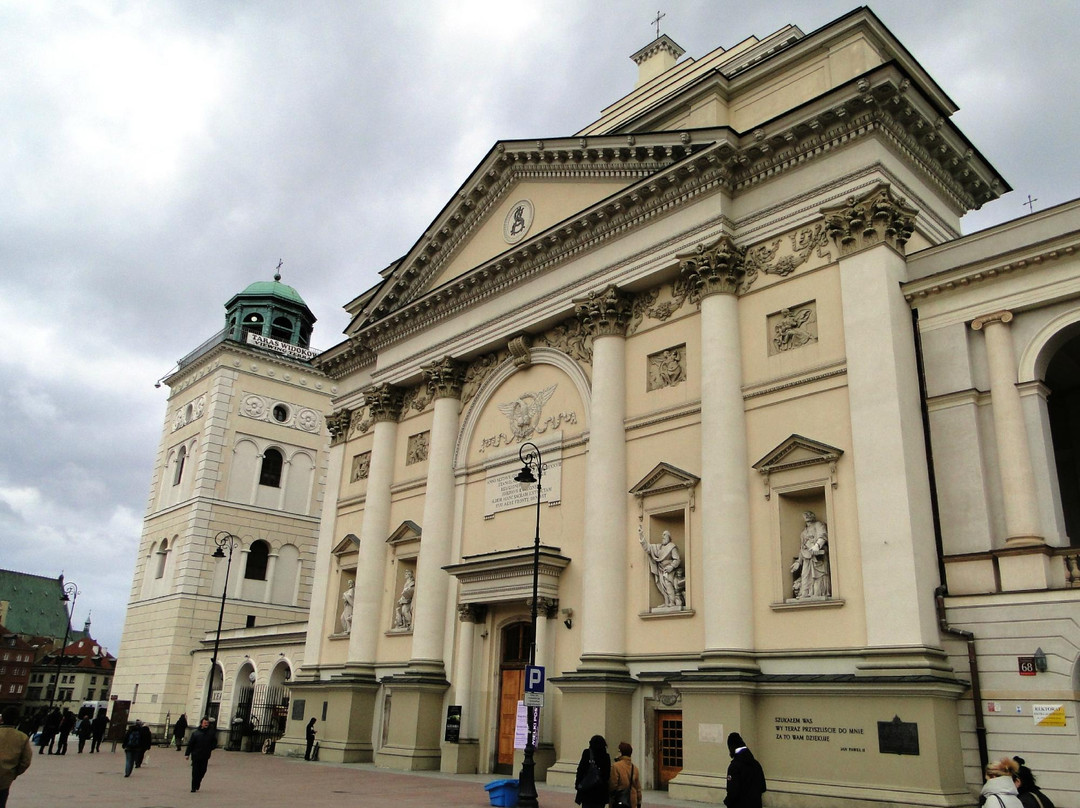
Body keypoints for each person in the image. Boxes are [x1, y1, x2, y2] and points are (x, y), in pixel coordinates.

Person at [638, 524, 683, 610]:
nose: (663, 536)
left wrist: (671, 567)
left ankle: (672, 602)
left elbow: (677, 559)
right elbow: (647, 548)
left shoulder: (672, 547)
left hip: (669, 570)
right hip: (661, 569)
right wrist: (641, 535)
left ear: (669, 537)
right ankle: (666, 602)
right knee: (662, 586)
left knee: (668, 585)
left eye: (665, 535)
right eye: (662, 535)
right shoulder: (659, 547)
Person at [790, 510, 830, 599]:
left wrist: (817, 545)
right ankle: (806, 594)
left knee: (818, 577)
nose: (807, 517)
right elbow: (802, 548)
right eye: (805, 516)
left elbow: (823, 536)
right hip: (807, 557)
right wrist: (798, 561)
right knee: (805, 576)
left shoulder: (819, 525)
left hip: (818, 557)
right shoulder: (803, 532)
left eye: (809, 515)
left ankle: (818, 594)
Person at [0, 706, 32, 808]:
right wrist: (14, 773)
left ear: (2, 719)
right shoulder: (22, 737)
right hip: (5, 777)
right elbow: (26, 761)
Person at [724, 732, 766, 808]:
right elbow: (763, 787)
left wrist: (727, 801)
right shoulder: (756, 764)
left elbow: (733, 791)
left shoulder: (734, 767)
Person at [574, 734, 611, 808]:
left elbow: (581, 770)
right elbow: (607, 774)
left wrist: (578, 784)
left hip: (587, 789)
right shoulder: (606, 756)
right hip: (600, 791)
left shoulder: (587, 753)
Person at [185, 717, 217, 793]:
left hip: (205, 755)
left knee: (203, 770)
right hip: (196, 755)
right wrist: (187, 754)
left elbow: (214, 742)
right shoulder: (196, 733)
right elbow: (191, 744)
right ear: (201, 723)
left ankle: (198, 782)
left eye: (207, 723)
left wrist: (210, 748)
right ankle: (193, 787)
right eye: (205, 723)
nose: (206, 724)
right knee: (195, 771)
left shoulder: (211, 733)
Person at [609, 741, 642, 808]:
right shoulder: (634, 768)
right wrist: (639, 802)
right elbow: (638, 787)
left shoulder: (616, 766)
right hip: (632, 800)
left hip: (620, 799)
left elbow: (613, 785)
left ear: (621, 753)